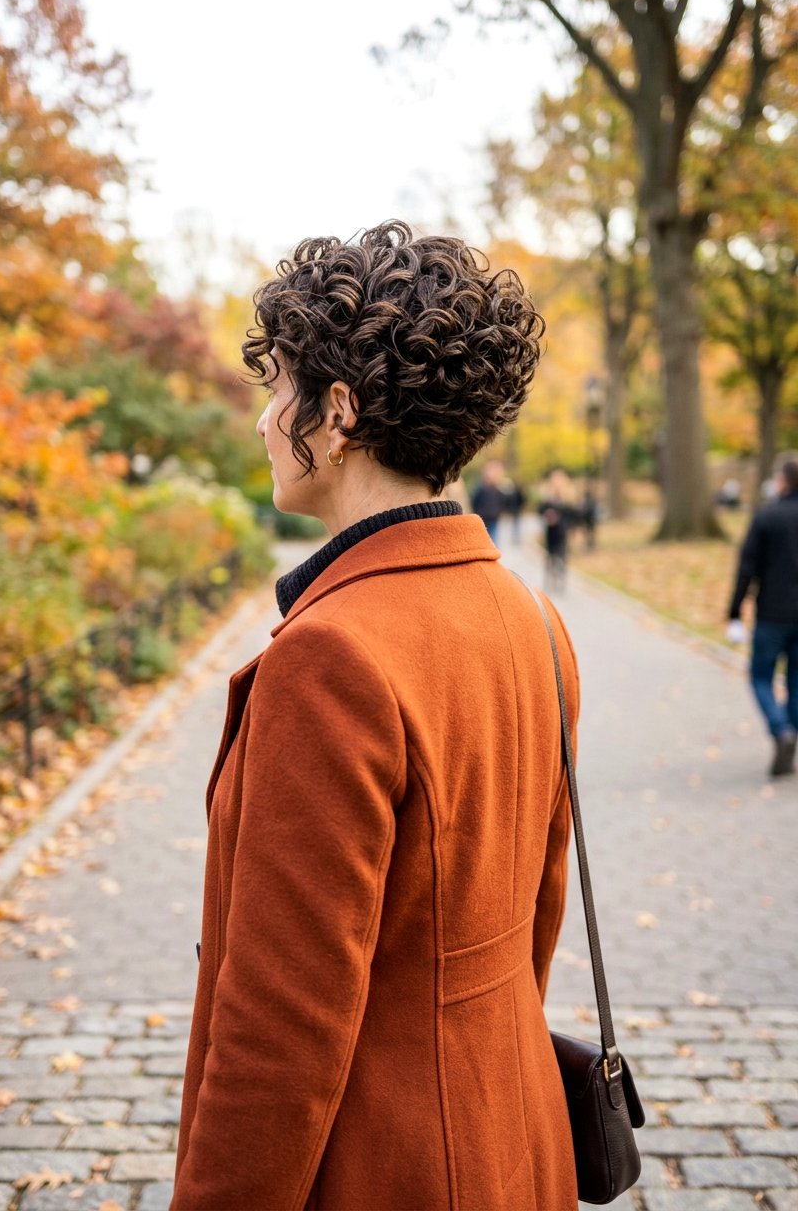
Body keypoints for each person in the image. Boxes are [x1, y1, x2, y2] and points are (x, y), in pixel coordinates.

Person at [171, 221, 579, 1210]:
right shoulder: (530, 615)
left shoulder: (329, 658)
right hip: (510, 1126)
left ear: (337, 410)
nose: (265, 420)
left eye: (276, 388)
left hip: (380, 1161)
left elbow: (280, 1034)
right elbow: (536, 910)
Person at [727, 452, 798, 777]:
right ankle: (788, 730)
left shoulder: (767, 516)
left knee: (760, 676)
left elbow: (747, 568)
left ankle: (781, 728)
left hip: (773, 612)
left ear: (782, 480)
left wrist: (735, 611)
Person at [539, 468, 576, 593]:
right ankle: (550, 580)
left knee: (562, 557)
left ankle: (561, 580)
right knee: (550, 558)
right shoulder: (547, 497)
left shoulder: (568, 498)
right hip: (550, 533)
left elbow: (573, 516)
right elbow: (541, 510)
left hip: (563, 533)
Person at [470, 458, 508, 543]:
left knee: (493, 540)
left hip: (494, 518)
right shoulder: (480, 489)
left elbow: (502, 502)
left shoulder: (498, 489)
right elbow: (475, 501)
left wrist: (500, 513)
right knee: (484, 540)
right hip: (482, 518)